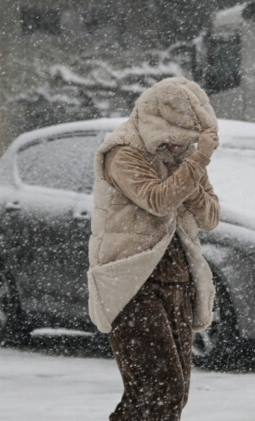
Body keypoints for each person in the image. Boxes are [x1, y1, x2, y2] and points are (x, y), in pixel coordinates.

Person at [87, 77, 220, 421]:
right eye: (176, 140)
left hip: (178, 280)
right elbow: (157, 200)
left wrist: (188, 174)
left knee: (169, 395)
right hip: (131, 283)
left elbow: (210, 217)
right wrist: (194, 165)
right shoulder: (123, 153)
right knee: (160, 387)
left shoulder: (186, 161)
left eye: (187, 142)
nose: (181, 148)